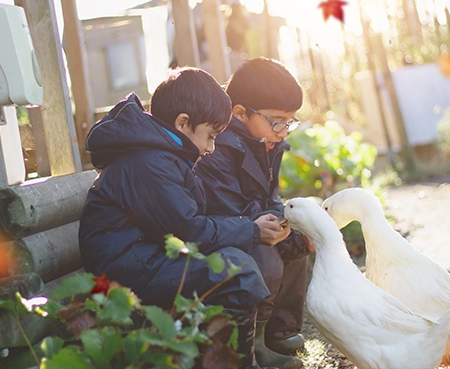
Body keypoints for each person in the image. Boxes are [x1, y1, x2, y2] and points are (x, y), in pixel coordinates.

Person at [78, 67, 292, 369]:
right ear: (183, 123)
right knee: (237, 270)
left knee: (234, 261)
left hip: (144, 258)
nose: (211, 147)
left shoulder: (160, 155)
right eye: (210, 135)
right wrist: (251, 230)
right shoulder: (149, 163)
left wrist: (247, 230)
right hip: (124, 270)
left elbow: (187, 224)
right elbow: (189, 229)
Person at [196, 58, 311, 369]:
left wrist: (289, 219)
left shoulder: (267, 142)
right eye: (276, 120)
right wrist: (264, 224)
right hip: (223, 231)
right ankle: (254, 342)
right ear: (240, 113)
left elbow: (267, 197)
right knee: (266, 256)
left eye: (289, 121)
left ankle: (280, 330)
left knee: (297, 244)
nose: (283, 131)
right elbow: (224, 205)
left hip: (249, 221)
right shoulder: (218, 148)